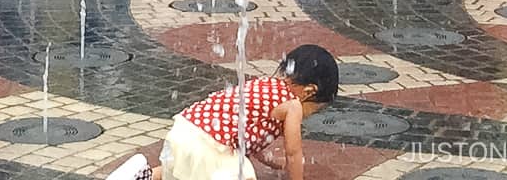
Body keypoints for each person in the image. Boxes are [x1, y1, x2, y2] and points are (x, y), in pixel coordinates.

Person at [106, 43, 340, 180]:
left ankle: (138, 174)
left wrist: (268, 160)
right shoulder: (294, 104)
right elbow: (293, 152)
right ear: (310, 91)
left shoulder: (264, 85)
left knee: (174, 171)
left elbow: (247, 133)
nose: (308, 115)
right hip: (209, 144)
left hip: (187, 127)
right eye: (315, 110)